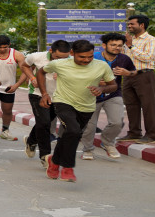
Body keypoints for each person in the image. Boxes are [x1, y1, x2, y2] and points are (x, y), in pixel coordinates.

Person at [38, 40, 115, 182]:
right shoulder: (59, 64)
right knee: (73, 131)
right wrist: (44, 93)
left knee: (71, 134)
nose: (86, 60)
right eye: (82, 57)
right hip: (63, 102)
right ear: (72, 53)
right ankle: (67, 168)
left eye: (90, 57)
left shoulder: (102, 66)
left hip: (87, 106)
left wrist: (102, 89)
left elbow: (113, 85)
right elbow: (41, 72)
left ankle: (54, 162)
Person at [80, 33, 135, 160]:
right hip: (91, 95)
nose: (117, 48)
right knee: (90, 126)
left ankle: (107, 142)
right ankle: (87, 149)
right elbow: (80, 73)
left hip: (114, 94)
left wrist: (128, 73)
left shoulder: (124, 59)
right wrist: (97, 82)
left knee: (117, 122)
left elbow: (134, 72)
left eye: (120, 45)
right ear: (104, 45)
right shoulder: (93, 58)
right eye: (113, 45)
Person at [20, 40, 71, 165]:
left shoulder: (72, 61)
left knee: (44, 122)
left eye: (64, 58)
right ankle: (45, 156)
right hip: (37, 94)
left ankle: (31, 141)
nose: (59, 61)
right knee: (44, 123)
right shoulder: (37, 56)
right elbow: (24, 65)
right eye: (57, 57)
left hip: (59, 96)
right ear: (51, 51)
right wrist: (32, 78)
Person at [119, 14, 155, 144]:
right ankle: (134, 133)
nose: (129, 26)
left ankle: (152, 135)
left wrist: (131, 46)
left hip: (144, 75)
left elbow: (148, 57)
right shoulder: (129, 41)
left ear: (141, 25)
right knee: (131, 106)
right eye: (129, 24)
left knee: (148, 106)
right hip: (128, 76)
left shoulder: (151, 40)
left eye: (132, 24)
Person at [0, 35, 27, 142]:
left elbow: (26, 72)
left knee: (7, 110)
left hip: (9, 87)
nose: (2, 49)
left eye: (5, 47)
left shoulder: (17, 55)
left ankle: (5, 131)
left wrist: (16, 85)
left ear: (9, 45)